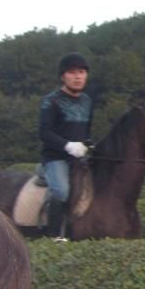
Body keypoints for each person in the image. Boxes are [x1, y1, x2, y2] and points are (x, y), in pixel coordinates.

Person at [38, 53, 93, 239]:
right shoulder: (51, 100)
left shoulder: (87, 101)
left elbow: (86, 130)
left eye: (82, 72)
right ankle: (54, 236)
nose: (78, 76)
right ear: (63, 76)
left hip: (79, 158)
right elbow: (44, 133)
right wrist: (67, 145)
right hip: (56, 157)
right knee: (62, 191)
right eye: (72, 72)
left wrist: (88, 144)